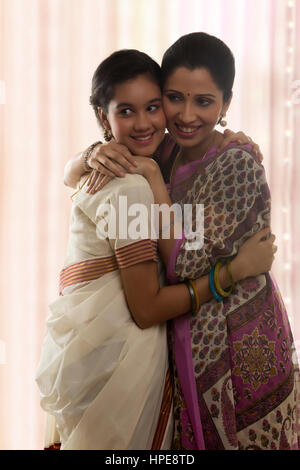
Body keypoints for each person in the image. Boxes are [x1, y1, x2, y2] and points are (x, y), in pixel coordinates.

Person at [65, 33, 300, 450]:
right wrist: (86, 157)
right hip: (188, 329)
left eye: (204, 102)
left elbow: (184, 263)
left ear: (226, 103)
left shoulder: (236, 164)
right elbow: (81, 172)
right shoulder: (167, 148)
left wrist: (154, 180)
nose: (187, 115)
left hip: (239, 345)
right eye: (174, 98)